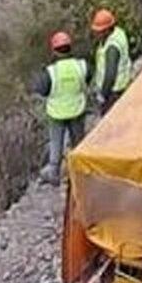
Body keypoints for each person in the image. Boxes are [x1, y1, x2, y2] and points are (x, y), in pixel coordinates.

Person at [32, 31, 91, 185]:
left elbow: (41, 89)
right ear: (70, 48)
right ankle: (80, 172)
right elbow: (89, 77)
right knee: (78, 142)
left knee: (56, 142)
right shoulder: (81, 66)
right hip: (77, 110)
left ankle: (54, 173)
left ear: (54, 51)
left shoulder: (51, 72)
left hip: (56, 114)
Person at [90, 9, 131, 112]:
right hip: (121, 87)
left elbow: (110, 74)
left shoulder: (112, 48)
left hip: (113, 92)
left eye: (99, 31)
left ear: (107, 30)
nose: (97, 34)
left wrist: (103, 95)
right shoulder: (118, 32)